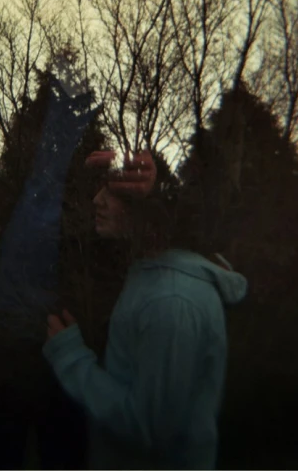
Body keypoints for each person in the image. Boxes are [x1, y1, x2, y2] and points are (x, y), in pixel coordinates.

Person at [43, 149, 248, 470]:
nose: (97, 200)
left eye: (113, 192)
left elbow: (148, 428)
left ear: (149, 212)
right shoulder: (147, 273)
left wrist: (71, 358)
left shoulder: (171, 302)